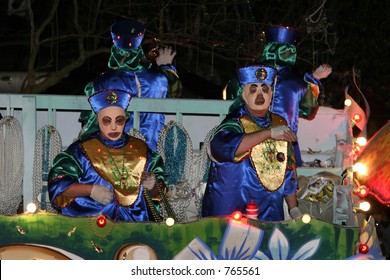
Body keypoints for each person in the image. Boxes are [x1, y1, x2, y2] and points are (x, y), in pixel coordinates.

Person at [48, 88, 174, 222]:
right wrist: (90, 190)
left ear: (125, 119)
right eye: (107, 121)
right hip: (91, 226)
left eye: (119, 120)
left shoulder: (141, 150)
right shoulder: (80, 151)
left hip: (137, 227)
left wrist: (153, 185)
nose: (113, 127)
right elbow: (57, 185)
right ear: (97, 120)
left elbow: (159, 193)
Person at [202, 64, 302, 221]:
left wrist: (293, 208)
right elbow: (222, 148)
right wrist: (267, 133)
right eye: (253, 89)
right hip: (234, 208)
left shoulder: (279, 122)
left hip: (269, 208)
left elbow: (287, 168)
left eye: (265, 89)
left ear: (271, 94)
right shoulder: (234, 122)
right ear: (244, 95)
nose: (260, 94)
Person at [225, 25, 332, 166]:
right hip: (283, 150)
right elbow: (308, 110)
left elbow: (231, 96)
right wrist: (313, 80)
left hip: (250, 144)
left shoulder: (249, 76)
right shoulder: (297, 84)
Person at [84, 19, 182, 151]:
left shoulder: (102, 82)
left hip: (116, 155)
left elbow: (90, 122)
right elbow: (175, 90)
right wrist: (166, 66)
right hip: (152, 153)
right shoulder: (160, 79)